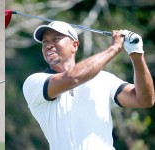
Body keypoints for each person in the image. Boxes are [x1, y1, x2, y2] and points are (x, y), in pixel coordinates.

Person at [23, 21, 154, 149]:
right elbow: (73, 78)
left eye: (56, 39)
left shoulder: (104, 79)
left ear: (74, 45)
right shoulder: (34, 82)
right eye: (45, 42)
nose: (49, 45)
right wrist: (114, 48)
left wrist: (137, 55)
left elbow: (145, 100)